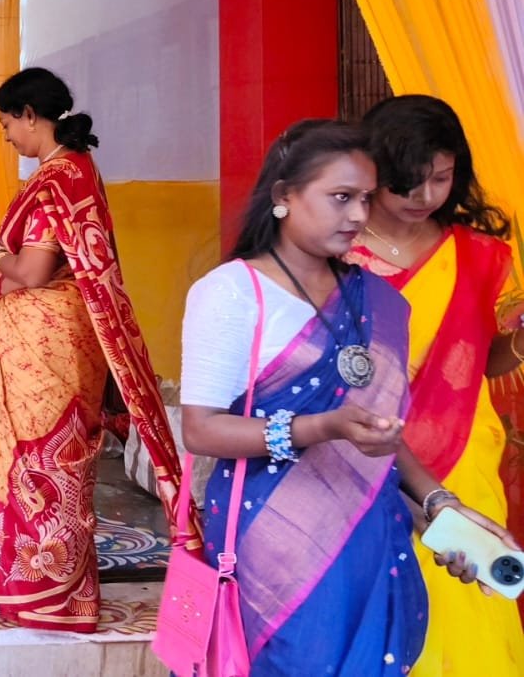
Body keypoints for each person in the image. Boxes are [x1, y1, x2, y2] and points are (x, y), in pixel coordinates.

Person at [178, 118, 515, 676]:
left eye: (364, 198)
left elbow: (380, 431)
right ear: (285, 196)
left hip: (371, 537)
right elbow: (202, 429)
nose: (358, 215)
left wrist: (440, 506)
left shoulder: (375, 298)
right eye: (340, 198)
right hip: (272, 543)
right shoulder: (233, 291)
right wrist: (323, 427)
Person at [0, 66, 183, 632]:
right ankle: (36, 586)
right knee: (44, 459)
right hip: (55, 337)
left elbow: (32, 271)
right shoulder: (73, 171)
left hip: (46, 344)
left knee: (40, 460)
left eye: (6, 123)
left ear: (30, 115)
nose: (6, 136)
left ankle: (48, 594)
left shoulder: (58, 178)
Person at [346, 95, 524, 675]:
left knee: (468, 595)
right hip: (357, 449)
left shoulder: (478, 254)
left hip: (464, 449)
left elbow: (480, 364)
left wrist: (521, 341)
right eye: (408, 182)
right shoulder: (334, 251)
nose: (425, 196)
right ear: (373, 173)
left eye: (441, 179)